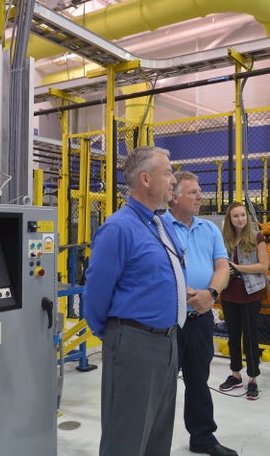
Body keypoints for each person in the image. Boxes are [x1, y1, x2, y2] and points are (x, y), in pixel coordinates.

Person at [83, 146, 186, 456]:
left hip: (168, 342)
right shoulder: (118, 228)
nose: (173, 180)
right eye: (167, 172)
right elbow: (95, 296)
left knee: (157, 435)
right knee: (126, 437)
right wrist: (119, 337)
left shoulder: (162, 223)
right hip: (134, 343)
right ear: (145, 179)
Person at [164, 171, 236, 456]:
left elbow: (222, 267)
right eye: (192, 192)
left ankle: (202, 436)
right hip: (168, 320)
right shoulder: (159, 226)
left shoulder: (209, 229)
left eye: (199, 190)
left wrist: (211, 294)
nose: (199, 196)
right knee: (161, 385)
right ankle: (155, 442)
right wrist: (181, 291)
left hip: (200, 319)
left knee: (198, 381)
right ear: (174, 196)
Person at [218, 201, 269, 400]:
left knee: (250, 339)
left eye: (242, 215)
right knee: (232, 337)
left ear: (247, 217)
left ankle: (253, 379)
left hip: (250, 295)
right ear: (229, 220)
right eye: (235, 216)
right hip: (229, 294)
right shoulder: (225, 239)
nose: (240, 219)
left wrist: (238, 268)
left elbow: (263, 266)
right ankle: (236, 374)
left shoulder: (257, 237)